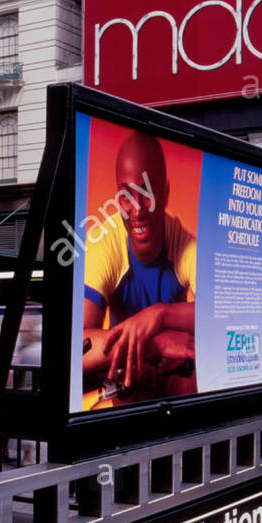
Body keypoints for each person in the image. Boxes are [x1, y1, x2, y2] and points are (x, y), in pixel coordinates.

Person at [83, 132, 196, 402]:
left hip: (173, 379)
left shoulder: (185, 244)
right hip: (129, 377)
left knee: (192, 368)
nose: (136, 210)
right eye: (125, 195)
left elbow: (225, 316)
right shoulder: (103, 243)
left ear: (166, 193)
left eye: (147, 192)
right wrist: (152, 343)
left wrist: (161, 316)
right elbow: (77, 348)